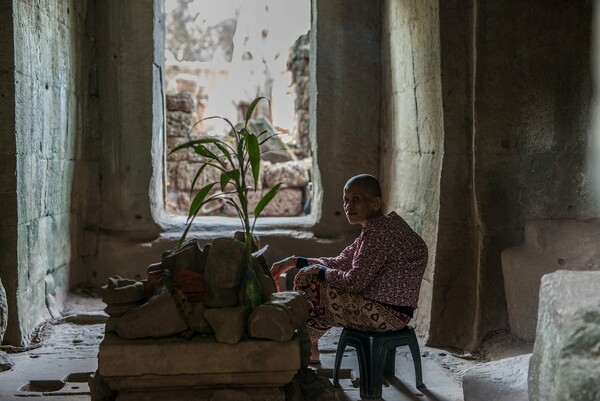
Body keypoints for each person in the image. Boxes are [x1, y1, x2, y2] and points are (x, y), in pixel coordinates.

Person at [271, 174, 428, 364]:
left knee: (308, 282)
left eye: (356, 199)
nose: (348, 206)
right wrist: (295, 262)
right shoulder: (378, 228)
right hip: (392, 310)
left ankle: (306, 348)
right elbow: (341, 261)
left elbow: (354, 282)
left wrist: (316, 272)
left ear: (376, 204)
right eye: (346, 200)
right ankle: (307, 346)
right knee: (312, 280)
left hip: (387, 315)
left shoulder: (379, 234)